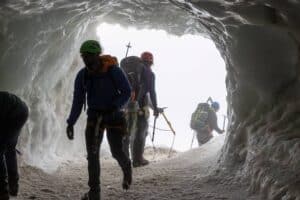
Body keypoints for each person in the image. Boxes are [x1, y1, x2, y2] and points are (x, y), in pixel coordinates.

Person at [66, 40, 132, 200]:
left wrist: (115, 106)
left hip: (114, 116)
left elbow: (127, 92)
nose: (86, 60)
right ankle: (94, 193)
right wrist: (71, 121)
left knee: (116, 151)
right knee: (92, 154)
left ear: (97, 55)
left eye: (89, 56)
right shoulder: (83, 75)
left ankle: (127, 168)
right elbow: (78, 100)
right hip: (94, 116)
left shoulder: (113, 71)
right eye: (84, 56)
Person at [131, 51, 161, 167]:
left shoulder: (135, 71)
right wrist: (155, 108)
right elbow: (151, 92)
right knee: (142, 131)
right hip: (141, 105)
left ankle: (133, 158)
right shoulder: (149, 73)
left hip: (130, 105)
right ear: (151, 61)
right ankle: (138, 159)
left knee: (134, 130)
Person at [0, 92, 29, 200]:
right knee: (10, 148)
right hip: (21, 110)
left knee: (1, 150)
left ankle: (3, 191)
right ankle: (13, 186)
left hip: (16, 113)